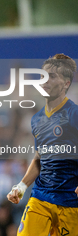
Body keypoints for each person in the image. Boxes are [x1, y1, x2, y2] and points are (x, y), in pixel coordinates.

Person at [7, 54, 78, 236]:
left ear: (66, 83)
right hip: (40, 197)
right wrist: (21, 187)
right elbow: (40, 157)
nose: (45, 81)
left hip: (70, 201)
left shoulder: (74, 115)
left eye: (52, 76)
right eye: (42, 76)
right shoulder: (37, 119)